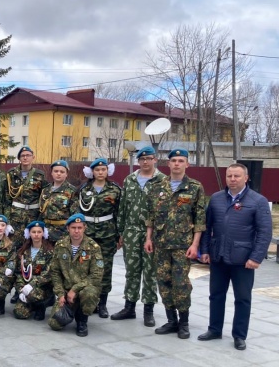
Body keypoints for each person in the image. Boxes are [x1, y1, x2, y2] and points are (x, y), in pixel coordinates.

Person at [198, 163, 272, 350]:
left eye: (237, 176)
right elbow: (207, 227)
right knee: (216, 295)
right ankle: (214, 329)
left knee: (242, 298)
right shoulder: (216, 199)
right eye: (229, 176)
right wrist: (205, 250)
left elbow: (264, 232)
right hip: (218, 256)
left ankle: (239, 335)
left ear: (246, 178)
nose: (232, 179)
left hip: (243, 259)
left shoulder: (258, 201)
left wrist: (256, 257)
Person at [145, 148, 206, 340]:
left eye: (181, 160)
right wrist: (148, 238)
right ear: (168, 164)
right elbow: (151, 216)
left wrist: (195, 245)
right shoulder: (157, 186)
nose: (177, 164)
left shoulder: (195, 187)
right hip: (161, 244)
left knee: (181, 284)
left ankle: (184, 323)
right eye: (174, 161)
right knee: (163, 282)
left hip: (182, 246)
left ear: (187, 164)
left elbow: (199, 219)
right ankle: (171, 321)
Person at [112, 146, 165, 326]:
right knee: (132, 271)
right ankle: (129, 307)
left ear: (155, 160)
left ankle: (148, 310)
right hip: (131, 231)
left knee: (150, 272)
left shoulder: (162, 181)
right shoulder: (130, 180)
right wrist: (121, 232)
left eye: (148, 158)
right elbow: (122, 208)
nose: (145, 162)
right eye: (142, 159)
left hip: (153, 234)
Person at [70, 158, 121, 318]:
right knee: (84, 265)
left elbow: (120, 213)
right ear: (92, 172)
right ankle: (86, 300)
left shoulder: (115, 189)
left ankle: (102, 303)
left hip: (107, 233)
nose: (100, 172)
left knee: (105, 267)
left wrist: (119, 234)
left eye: (103, 169)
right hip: (87, 233)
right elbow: (76, 210)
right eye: (97, 170)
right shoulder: (83, 189)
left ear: (107, 171)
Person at [48, 214, 103, 336]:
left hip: (84, 289)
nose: (76, 231)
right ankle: (74, 308)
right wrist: (60, 294)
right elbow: (55, 272)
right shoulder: (60, 245)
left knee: (89, 293)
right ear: (68, 228)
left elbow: (97, 275)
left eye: (79, 227)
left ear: (84, 228)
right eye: (73, 227)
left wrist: (75, 289)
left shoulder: (93, 247)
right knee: (54, 324)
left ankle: (82, 320)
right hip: (66, 291)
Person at [6, 146, 50, 249]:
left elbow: (44, 197)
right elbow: (7, 199)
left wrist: (40, 218)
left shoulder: (40, 175)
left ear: (33, 157)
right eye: (23, 156)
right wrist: (7, 221)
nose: (25, 158)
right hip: (16, 216)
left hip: (33, 215)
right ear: (19, 158)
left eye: (28, 155)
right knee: (13, 245)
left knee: (31, 244)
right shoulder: (12, 174)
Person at [13, 221, 54, 321]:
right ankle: (32, 305)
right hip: (25, 287)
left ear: (43, 233)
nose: (36, 234)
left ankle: (41, 305)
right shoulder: (23, 252)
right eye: (33, 232)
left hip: (42, 288)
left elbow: (49, 273)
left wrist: (32, 284)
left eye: (39, 232)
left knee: (32, 294)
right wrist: (21, 290)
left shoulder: (49, 252)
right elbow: (18, 273)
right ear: (29, 233)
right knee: (19, 313)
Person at [39, 160, 76, 244]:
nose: (58, 173)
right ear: (51, 173)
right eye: (56, 171)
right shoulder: (45, 190)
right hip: (45, 231)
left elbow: (74, 215)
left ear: (66, 174)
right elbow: (41, 212)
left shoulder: (72, 191)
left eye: (62, 172)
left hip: (62, 232)